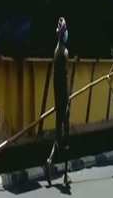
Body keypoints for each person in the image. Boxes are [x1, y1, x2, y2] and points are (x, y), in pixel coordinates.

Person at [45, 17, 70, 187]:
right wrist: (67, 101)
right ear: (64, 34)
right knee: (65, 135)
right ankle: (54, 162)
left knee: (58, 133)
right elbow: (65, 79)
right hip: (63, 98)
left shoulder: (55, 50)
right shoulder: (65, 53)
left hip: (57, 97)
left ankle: (54, 163)